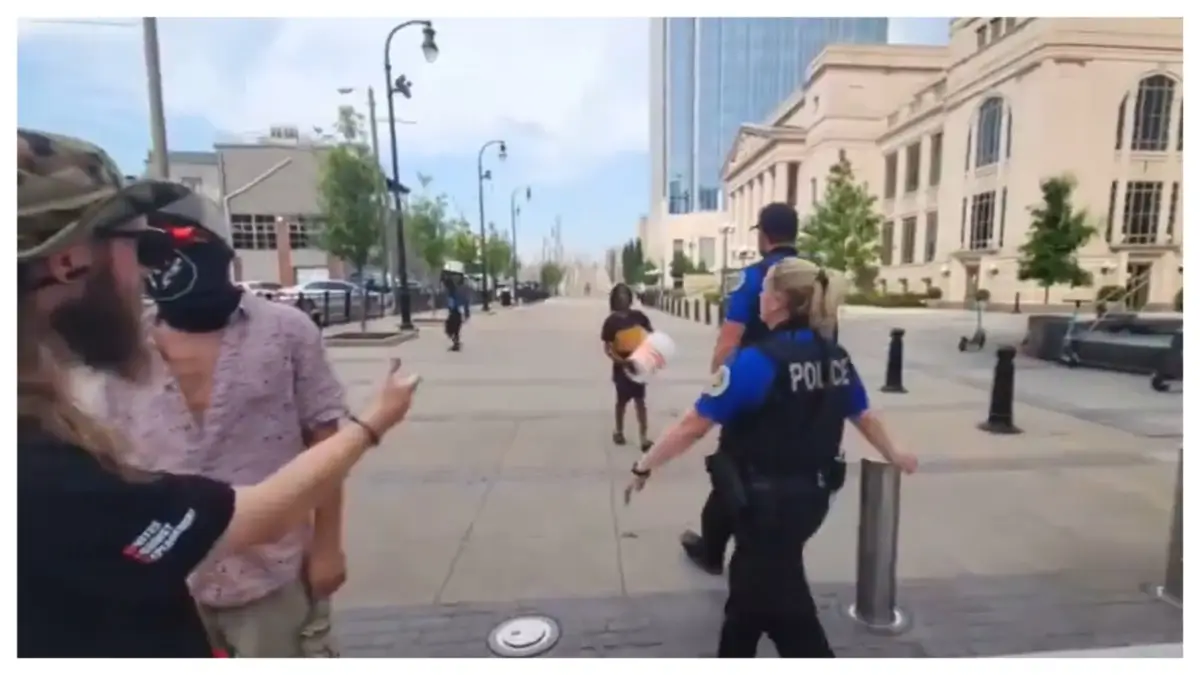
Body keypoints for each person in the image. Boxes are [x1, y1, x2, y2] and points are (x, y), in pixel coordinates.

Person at [16, 128, 421, 658]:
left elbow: (316, 431)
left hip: (265, 581)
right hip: (181, 575)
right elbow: (233, 517)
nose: (150, 269)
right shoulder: (46, 461)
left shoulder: (284, 331)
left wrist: (326, 545)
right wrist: (375, 423)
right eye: (143, 246)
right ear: (70, 259)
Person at [624, 257, 916, 658]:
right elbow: (862, 413)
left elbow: (693, 424)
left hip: (764, 506)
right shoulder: (835, 355)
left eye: (763, 290)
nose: (759, 297)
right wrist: (894, 452)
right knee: (750, 599)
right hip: (811, 500)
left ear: (778, 300)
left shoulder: (758, 362)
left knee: (785, 614)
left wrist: (645, 465)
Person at [98, 210, 349, 657]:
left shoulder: (287, 331)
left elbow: (326, 442)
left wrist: (328, 546)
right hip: (168, 580)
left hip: (271, 574)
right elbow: (112, 456)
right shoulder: (122, 345)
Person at [682, 202, 845, 575]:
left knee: (731, 469)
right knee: (794, 469)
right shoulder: (814, 277)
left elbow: (729, 340)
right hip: (811, 389)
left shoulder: (755, 278)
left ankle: (717, 553)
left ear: (763, 235)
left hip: (756, 387)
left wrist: (718, 388)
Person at [601, 283, 655, 451]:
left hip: (638, 365)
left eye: (625, 295)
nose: (623, 298)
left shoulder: (639, 317)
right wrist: (620, 361)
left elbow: (651, 335)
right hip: (621, 366)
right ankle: (619, 431)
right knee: (621, 402)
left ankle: (644, 437)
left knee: (640, 401)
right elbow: (608, 348)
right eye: (620, 295)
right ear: (615, 299)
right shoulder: (611, 322)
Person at [443, 268, 470, 351]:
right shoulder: (456, 291)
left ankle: (456, 343)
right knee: (455, 329)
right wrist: (466, 312)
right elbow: (465, 301)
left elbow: (455, 303)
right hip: (457, 312)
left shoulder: (453, 293)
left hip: (455, 312)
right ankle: (456, 343)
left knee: (451, 329)